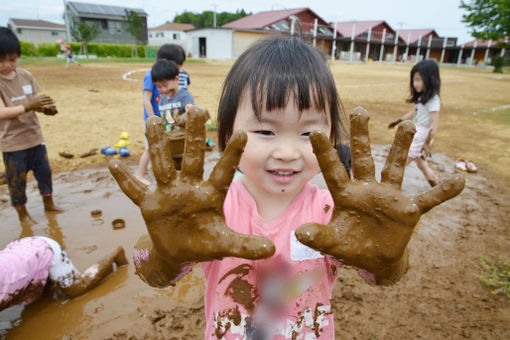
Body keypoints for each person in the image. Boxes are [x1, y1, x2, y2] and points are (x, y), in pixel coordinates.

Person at [108, 37, 464, 339]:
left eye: (309, 133)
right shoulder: (207, 209)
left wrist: (389, 258)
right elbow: (148, 269)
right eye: (265, 131)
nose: (288, 152)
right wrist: (165, 254)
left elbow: (383, 276)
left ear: (333, 138)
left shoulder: (337, 213)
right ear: (228, 134)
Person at [0, 27, 61, 225]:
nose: (8, 65)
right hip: (13, 145)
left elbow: (38, 99)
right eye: (1, 60)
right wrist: (27, 107)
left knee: (45, 174)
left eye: (13, 59)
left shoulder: (25, 76)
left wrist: (47, 108)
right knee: (17, 182)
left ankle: (49, 204)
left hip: (35, 139)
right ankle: (23, 215)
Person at [0, 236, 128, 311]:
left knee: (76, 290)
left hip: (42, 250)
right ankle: (47, 278)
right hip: (23, 249)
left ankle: (116, 254)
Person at [136, 44, 191, 186]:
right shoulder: (154, 79)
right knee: (153, 150)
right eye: (159, 87)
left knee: (178, 157)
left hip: (174, 131)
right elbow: (146, 100)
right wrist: (154, 121)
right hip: (158, 125)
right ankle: (141, 175)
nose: (161, 89)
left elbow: (188, 104)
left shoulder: (178, 94)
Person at [388, 59, 441, 187]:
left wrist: (427, 143)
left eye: (418, 80)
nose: (415, 84)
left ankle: (390, 187)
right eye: (414, 80)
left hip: (422, 135)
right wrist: (399, 120)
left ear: (431, 79)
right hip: (417, 132)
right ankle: (436, 186)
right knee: (421, 164)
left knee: (401, 163)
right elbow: (414, 113)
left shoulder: (433, 100)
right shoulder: (422, 97)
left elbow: (434, 124)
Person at [151, 59, 195, 134]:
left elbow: (191, 110)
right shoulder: (161, 100)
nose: (163, 89)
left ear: (176, 79)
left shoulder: (185, 96)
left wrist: (189, 109)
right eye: (159, 87)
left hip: (182, 139)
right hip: (168, 139)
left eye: (165, 85)